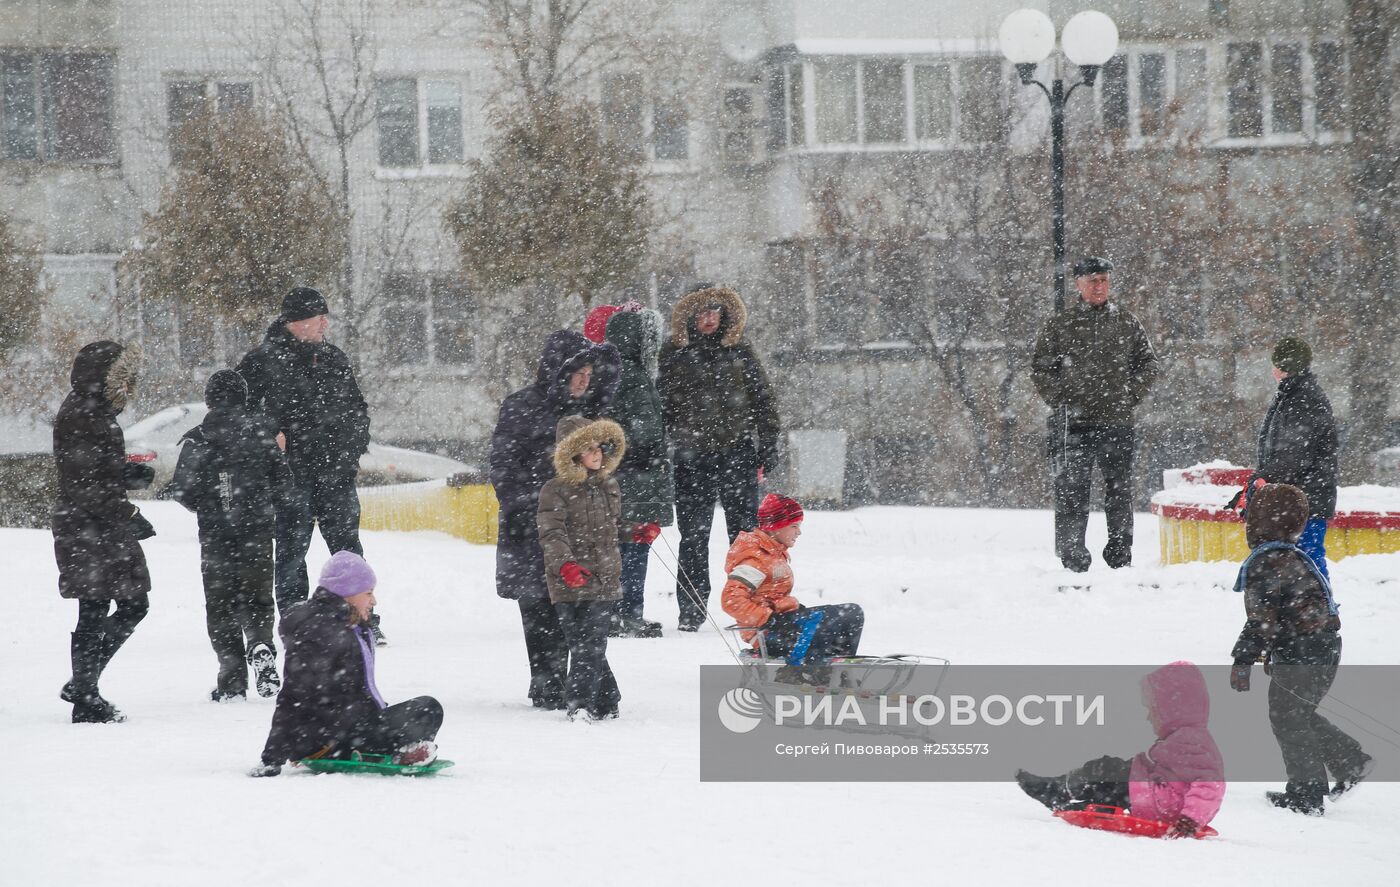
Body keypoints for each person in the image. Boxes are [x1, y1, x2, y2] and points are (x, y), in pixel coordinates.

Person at [235, 287, 377, 640]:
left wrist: (350, 451)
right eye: (319, 317)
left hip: (337, 473)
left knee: (347, 550)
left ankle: (360, 619)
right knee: (291, 552)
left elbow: (358, 410)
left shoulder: (334, 358)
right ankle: (294, 621)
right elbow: (238, 412)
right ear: (296, 322)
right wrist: (270, 435)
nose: (325, 323)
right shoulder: (260, 362)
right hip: (289, 476)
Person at [491, 330, 620, 710]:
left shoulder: (592, 417)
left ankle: (589, 687)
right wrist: (526, 506)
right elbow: (503, 465)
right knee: (537, 606)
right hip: (531, 524)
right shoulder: (521, 407)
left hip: (580, 530)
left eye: (588, 374)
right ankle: (546, 683)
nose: (584, 381)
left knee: (581, 609)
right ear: (557, 372)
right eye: (576, 373)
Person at [1228, 483, 1371, 815]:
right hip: (1322, 647)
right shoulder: (1292, 556)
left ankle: (1306, 796)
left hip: (1305, 651)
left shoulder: (1269, 561)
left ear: (1259, 522)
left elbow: (1263, 621)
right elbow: (1288, 615)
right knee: (1298, 714)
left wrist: (1243, 659)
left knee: (1289, 718)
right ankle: (1350, 762)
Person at [169, 370, 303, 701]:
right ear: (244, 397)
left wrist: (212, 501)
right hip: (256, 531)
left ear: (209, 399)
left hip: (215, 536)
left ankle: (231, 679)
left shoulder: (198, 439)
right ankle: (259, 643)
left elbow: (182, 490)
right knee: (257, 598)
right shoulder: (261, 435)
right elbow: (285, 486)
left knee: (220, 606)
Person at [250, 551, 443, 776]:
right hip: (329, 740)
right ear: (348, 594)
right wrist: (271, 758)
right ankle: (379, 751)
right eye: (368, 593)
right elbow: (293, 695)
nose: (374, 601)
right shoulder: (322, 631)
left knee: (426, 710)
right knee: (427, 708)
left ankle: (385, 750)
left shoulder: (346, 625)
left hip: (344, 730)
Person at [659, 285, 779, 630]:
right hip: (691, 456)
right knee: (693, 536)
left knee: (744, 539)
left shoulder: (739, 350)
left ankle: (747, 608)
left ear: (724, 314)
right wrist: (661, 448)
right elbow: (664, 404)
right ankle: (692, 611)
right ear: (690, 317)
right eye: (701, 312)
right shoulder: (674, 352)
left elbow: (762, 399)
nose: (709, 319)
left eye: (714, 311)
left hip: (736, 453)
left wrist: (768, 442)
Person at [1031, 257, 1159, 572]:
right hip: (1073, 424)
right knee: (1071, 491)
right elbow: (1041, 368)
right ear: (1078, 284)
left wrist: (1130, 395)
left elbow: (1148, 364)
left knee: (1119, 491)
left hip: (1117, 423)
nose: (1099, 286)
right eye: (1092, 281)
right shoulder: (1061, 324)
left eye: (1103, 280)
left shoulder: (1126, 322)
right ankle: (1073, 558)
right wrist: (1061, 398)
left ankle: (1120, 556)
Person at [53, 341, 154, 724]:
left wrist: (126, 473)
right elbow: (82, 484)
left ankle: (84, 685)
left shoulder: (93, 412)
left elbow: (94, 470)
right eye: (124, 380)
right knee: (99, 608)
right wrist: (126, 509)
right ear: (106, 378)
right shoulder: (83, 414)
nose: (129, 389)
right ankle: (85, 693)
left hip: (99, 525)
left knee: (125, 604)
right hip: (87, 526)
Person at [1016, 661, 1225, 838]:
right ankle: (1075, 802)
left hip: (1158, 803)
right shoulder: (1185, 736)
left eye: (1153, 711)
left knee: (1106, 770)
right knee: (1109, 777)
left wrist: (1189, 821)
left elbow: (1210, 785)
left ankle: (1059, 791)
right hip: (1154, 798)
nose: (1148, 717)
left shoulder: (1191, 739)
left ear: (1171, 710)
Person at [537, 416, 651, 720]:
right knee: (584, 645)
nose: (597, 453)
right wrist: (566, 565)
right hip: (569, 580)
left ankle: (581, 704)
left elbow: (610, 527)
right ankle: (607, 699)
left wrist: (633, 531)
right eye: (588, 448)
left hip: (603, 578)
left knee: (592, 644)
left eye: (599, 447)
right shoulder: (556, 490)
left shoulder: (607, 486)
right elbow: (552, 532)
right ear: (572, 453)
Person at [720, 494, 863, 686]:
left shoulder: (773, 552)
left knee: (852, 613)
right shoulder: (755, 559)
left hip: (785, 625)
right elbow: (732, 600)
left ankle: (833, 669)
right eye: (794, 526)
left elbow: (772, 594)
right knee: (825, 617)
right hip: (769, 634)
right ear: (775, 526)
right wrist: (770, 619)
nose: (799, 533)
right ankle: (801, 671)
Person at [603, 307, 673, 638]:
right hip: (637, 478)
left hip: (618, 475)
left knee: (620, 546)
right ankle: (628, 613)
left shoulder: (608, 373)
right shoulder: (635, 376)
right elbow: (644, 431)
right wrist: (654, 452)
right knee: (635, 546)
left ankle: (615, 612)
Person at [1243, 337, 1338, 580]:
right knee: (1297, 561)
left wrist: (1262, 477)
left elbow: (1295, 454)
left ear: (1283, 367)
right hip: (1298, 496)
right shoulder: (1291, 394)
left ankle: (1323, 612)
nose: (1272, 369)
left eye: (1275, 364)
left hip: (1307, 498)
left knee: (1307, 558)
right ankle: (1302, 613)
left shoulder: (1303, 398)